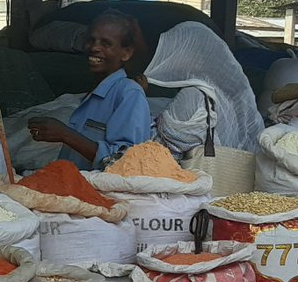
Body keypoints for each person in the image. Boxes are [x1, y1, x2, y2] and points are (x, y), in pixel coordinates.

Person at [27, 10, 151, 169]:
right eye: (91, 40)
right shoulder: (95, 94)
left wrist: (65, 134)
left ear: (126, 53)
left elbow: (126, 162)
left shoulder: (129, 93)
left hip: (97, 192)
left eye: (106, 43)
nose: (94, 47)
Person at [144, 21, 265, 155]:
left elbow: (165, 142)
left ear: (194, 58)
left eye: (177, 50)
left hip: (203, 171)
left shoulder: (192, 95)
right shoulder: (227, 94)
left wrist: (137, 98)